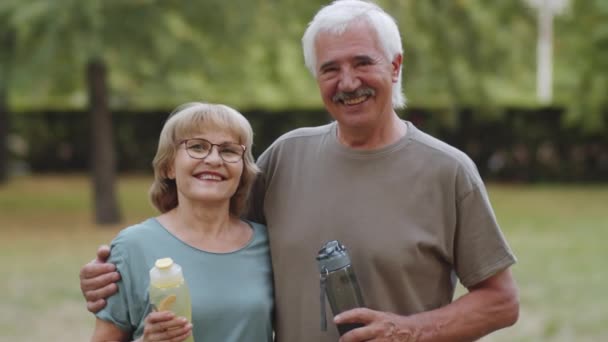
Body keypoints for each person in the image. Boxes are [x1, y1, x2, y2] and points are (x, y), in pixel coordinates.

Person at [81, 1, 519, 341]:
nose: (347, 82)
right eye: (330, 69)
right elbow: (212, 240)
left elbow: (501, 302)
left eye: (363, 62)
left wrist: (409, 331)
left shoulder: (448, 171)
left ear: (396, 66)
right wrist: (117, 275)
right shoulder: (285, 158)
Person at [89, 102, 273, 342]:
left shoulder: (267, 244)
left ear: (243, 171)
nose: (214, 159)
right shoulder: (132, 247)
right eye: (197, 147)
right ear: (168, 166)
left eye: (229, 151)